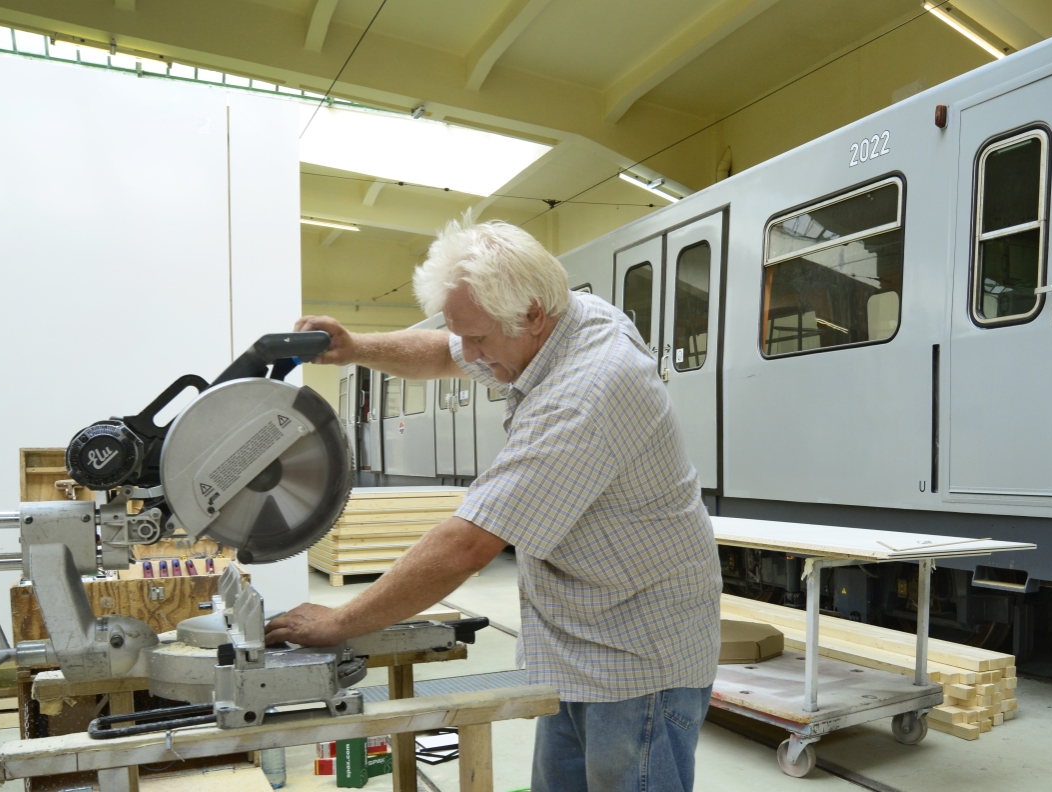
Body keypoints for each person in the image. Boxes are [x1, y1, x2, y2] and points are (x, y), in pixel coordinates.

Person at [266, 219, 722, 792]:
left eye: (480, 339)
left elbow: (467, 544)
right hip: (583, 635)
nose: (473, 356)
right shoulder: (559, 319)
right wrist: (355, 348)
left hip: (637, 653)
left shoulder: (588, 391)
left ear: (531, 315)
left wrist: (339, 621)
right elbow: (445, 350)